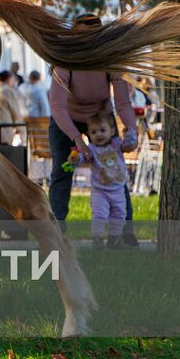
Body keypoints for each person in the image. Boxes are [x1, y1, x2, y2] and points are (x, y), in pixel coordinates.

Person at [47, 14, 140, 245]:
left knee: (115, 168)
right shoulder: (65, 62)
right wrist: (77, 139)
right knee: (62, 171)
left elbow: (123, 102)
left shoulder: (110, 59)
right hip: (67, 119)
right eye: (82, 37)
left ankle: (124, 232)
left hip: (100, 118)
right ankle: (56, 232)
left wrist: (131, 130)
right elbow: (57, 106)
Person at [73, 112, 133, 248]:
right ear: (88, 135)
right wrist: (76, 158)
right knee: (99, 214)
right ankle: (97, 239)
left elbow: (129, 145)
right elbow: (82, 158)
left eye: (102, 130)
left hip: (118, 189)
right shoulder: (91, 150)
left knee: (120, 215)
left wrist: (129, 132)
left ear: (111, 131)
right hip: (99, 191)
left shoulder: (117, 144)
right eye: (94, 132)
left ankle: (114, 239)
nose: (98, 134)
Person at [0, 70, 28, 143]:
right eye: (13, 79)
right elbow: (16, 114)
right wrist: (23, 135)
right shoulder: (7, 90)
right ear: (9, 79)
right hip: (4, 132)